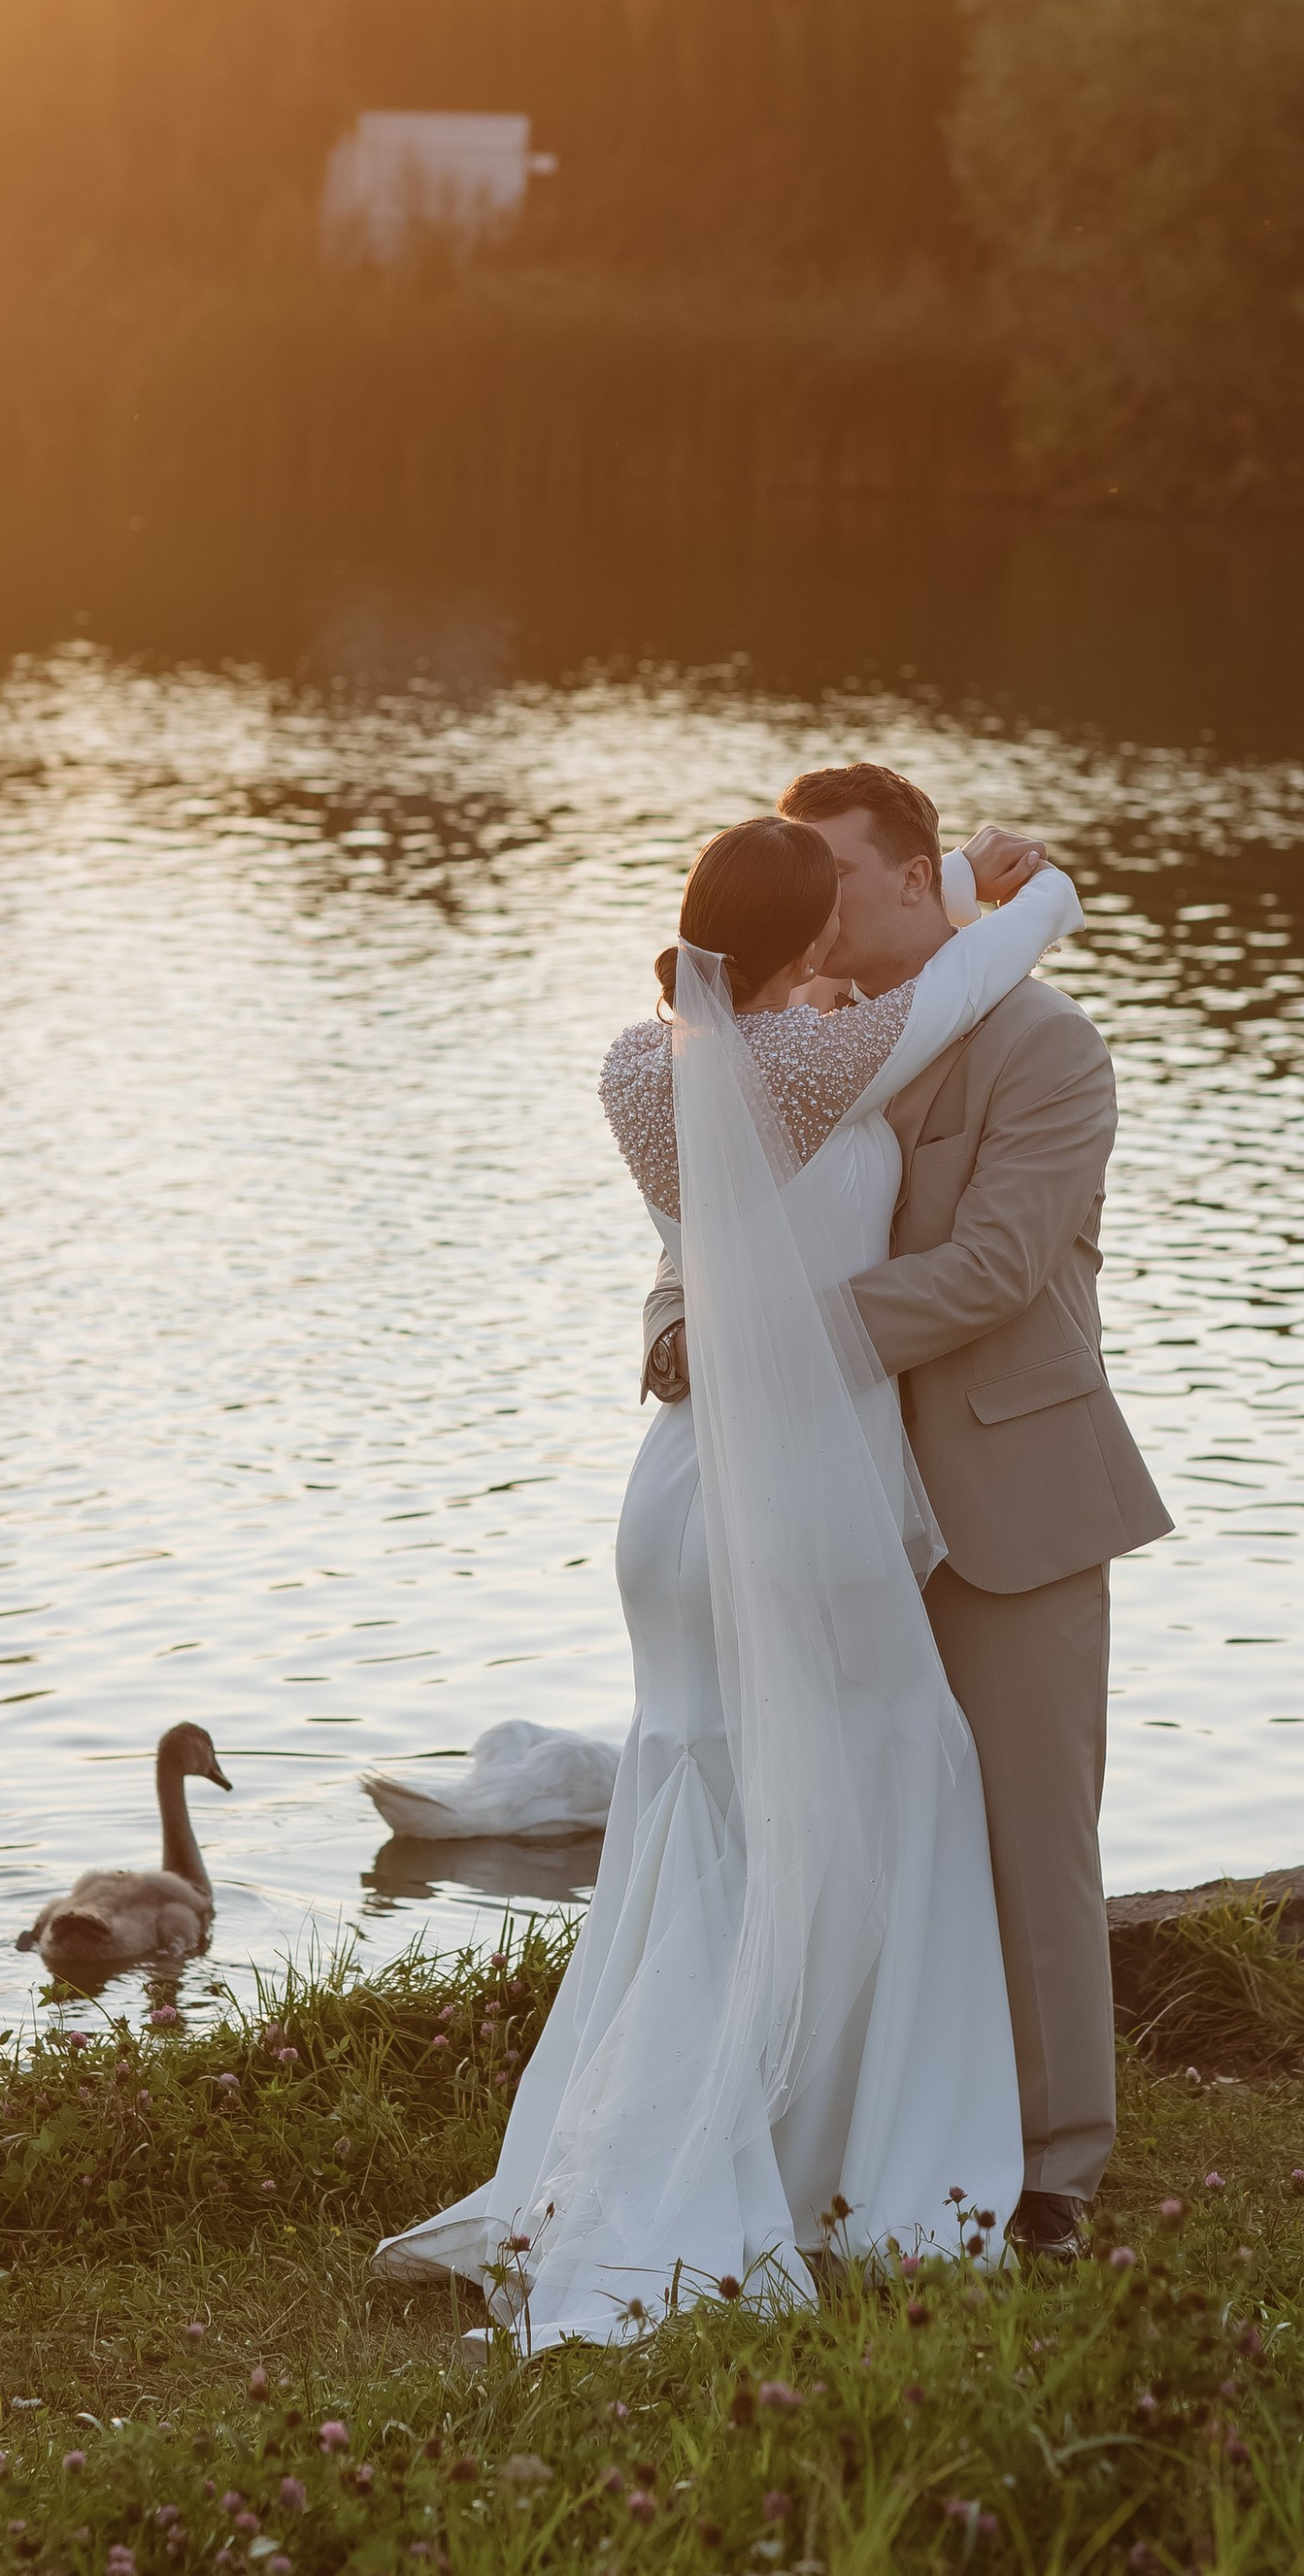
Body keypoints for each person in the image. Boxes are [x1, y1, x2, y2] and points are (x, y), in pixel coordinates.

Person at [378, 809, 1083, 2346]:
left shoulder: (650, 1066)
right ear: (814, 942)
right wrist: (1031, 887)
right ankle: (864, 2171)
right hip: (794, 1497)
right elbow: (980, 974)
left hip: (674, 1504)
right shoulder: (828, 1065)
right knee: (902, 1771)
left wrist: (919, 896)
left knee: (701, 1815)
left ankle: (654, 2151)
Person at [645, 763, 1169, 2259]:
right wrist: (680, 1339)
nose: (807, 895)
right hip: (827, 1517)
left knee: (1024, 1840)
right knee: (850, 1829)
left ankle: (1059, 2166)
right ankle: (867, 2135)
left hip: (1009, 1501)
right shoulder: (791, 1040)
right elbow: (706, 1231)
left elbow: (998, 1267)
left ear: (911, 880)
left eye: (830, 868)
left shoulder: (1047, 1049)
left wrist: (771, 1353)